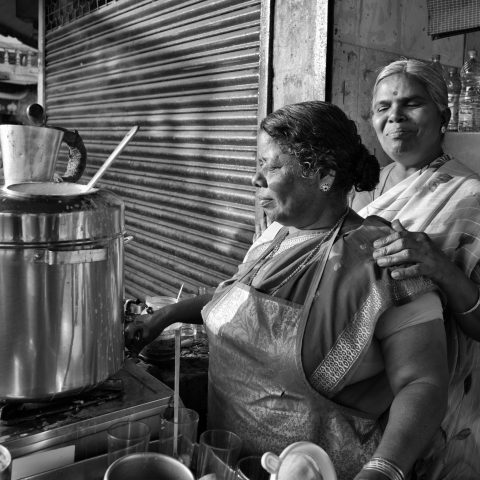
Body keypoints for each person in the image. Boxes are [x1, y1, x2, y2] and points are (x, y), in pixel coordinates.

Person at [128, 101, 449, 480]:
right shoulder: (277, 236)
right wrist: (161, 318)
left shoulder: (382, 258)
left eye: (271, 166)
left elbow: (423, 382)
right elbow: (231, 299)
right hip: (228, 462)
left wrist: (382, 471)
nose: (255, 179)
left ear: (325, 174)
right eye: (258, 164)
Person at [351, 58, 480, 479]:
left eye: (412, 103)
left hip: (434, 394)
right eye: (383, 107)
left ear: (443, 114)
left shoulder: (470, 196)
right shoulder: (364, 189)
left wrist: (440, 267)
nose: (395, 118)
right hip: (359, 387)